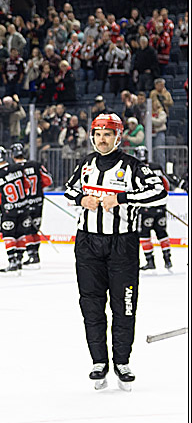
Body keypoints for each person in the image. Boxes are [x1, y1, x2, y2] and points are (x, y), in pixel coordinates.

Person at [62, 113, 167, 391]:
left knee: (124, 305)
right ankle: (99, 362)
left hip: (122, 245)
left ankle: (122, 362)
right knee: (92, 304)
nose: (101, 139)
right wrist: (82, 198)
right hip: (88, 244)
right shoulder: (85, 164)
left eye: (107, 134)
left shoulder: (133, 166)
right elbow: (68, 190)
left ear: (118, 137)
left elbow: (159, 192)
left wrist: (121, 198)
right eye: (97, 134)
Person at [9, 143, 53, 268]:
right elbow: (48, 180)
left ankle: (28, 255)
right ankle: (35, 255)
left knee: (25, 229)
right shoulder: (35, 165)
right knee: (35, 228)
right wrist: (38, 188)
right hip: (38, 201)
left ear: (12, 155)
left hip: (24, 203)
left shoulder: (13, 169)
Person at [0, 146, 28, 273]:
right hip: (23, 207)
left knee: (8, 235)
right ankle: (20, 260)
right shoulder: (18, 168)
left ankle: (12, 261)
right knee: (20, 234)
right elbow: (27, 185)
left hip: (8, 210)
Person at [133, 146, 173, 271]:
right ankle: (167, 260)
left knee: (144, 234)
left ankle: (150, 261)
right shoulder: (156, 167)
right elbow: (166, 183)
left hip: (145, 209)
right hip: (160, 207)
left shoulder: (135, 169)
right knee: (161, 232)